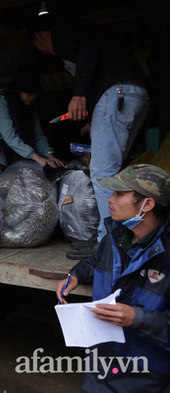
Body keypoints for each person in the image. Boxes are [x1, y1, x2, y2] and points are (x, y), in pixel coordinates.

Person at [31, 14, 149, 258]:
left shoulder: (63, 32)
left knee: (102, 172)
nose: (45, 51)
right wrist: (92, 118)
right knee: (113, 172)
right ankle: (110, 236)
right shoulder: (93, 36)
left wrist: (79, 94)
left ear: (40, 36)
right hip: (133, 95)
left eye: (39, 46)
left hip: (117, 94)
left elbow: (87, 54)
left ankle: (108, 244)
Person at [57, 164, 170, 391]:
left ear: (147, 204)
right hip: (100, 366)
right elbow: (96, 260)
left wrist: (137, 318)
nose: (110, 199)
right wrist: (77, 274)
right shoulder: (115, 236)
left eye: (119, 194)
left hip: (146, 377)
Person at [0, 65, 64, 190]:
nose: (32, 96)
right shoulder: (0, 104)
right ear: (17, 91)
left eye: (35, 93)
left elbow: (38, 135)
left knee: (3, 178)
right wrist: (39, 159)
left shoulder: (29, 108)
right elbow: (11, 138)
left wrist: (49, 155)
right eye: (28, 92)